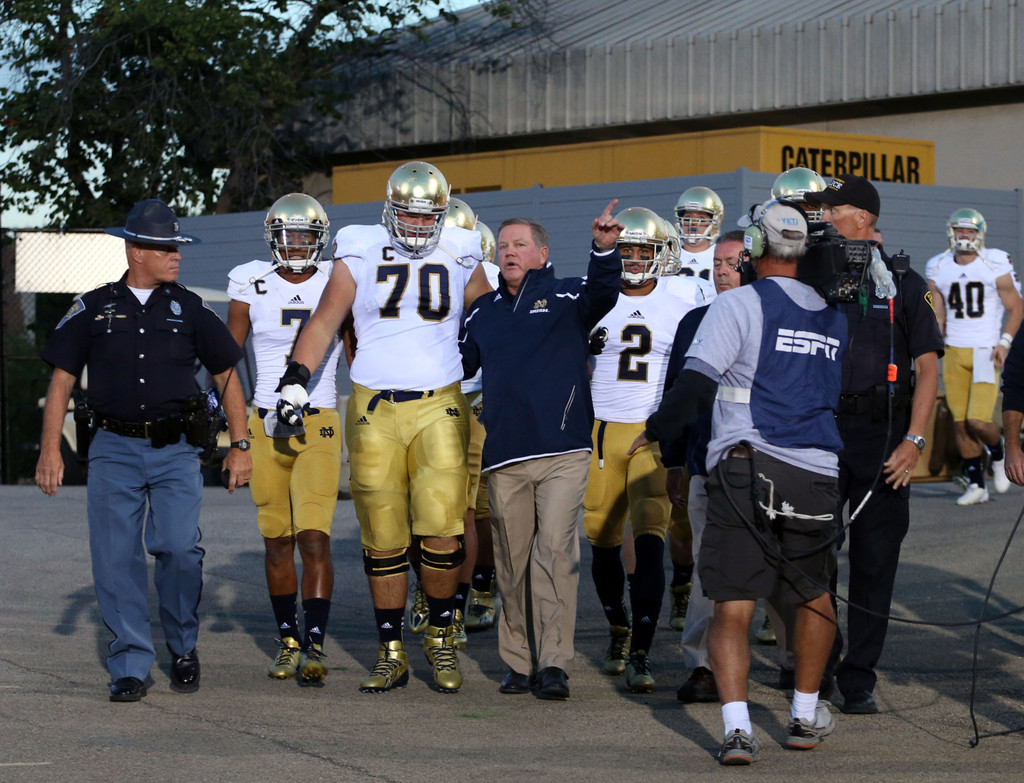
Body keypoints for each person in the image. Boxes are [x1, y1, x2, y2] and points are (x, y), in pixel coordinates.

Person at [631, 200, 845, 764]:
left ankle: (738, 730)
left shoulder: (738, 305)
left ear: (753, 249)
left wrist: (655, 432)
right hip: (819, 472)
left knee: (732, 600)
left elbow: (695, 386)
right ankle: (802, 717)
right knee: (814, 595)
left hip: (746, 467)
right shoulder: (831, 314)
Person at [275, 161, 492, 695]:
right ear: (388, 210)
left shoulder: (464, 246)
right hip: (374, 404)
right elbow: (325, 318)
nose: (418, 229)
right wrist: (296, 378)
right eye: (408, 217)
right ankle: (391, 650)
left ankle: (441, 638)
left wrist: (499, 368)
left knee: (443, 530)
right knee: (383, 533)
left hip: (441, 399)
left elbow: (489, 317)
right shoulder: (359, 243)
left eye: (428, 218)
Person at [35, 199, 251, 702]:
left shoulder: (192, 308)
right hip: (112, 448)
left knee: (178, 547)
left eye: (178, 246)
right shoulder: (92, 307)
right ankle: (130, 662)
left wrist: (239, 445)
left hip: (176, 449)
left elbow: (226, 377)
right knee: (116, 558)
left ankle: (181, 646)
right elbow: (62, 378)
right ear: (136, 251)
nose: (176, 255)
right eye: (165, 247)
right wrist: (51, 449)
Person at [459, 202, 623, 700]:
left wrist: (605, 248)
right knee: (512, 563)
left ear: (542, 252)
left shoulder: (570, 293)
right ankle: (517, 662)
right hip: (505, 455)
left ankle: (553, 663)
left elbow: (604, 292)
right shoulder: (482, 312)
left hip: (563, 450)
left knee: (555, 552)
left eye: (519, 245)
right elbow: (456, 365)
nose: (509, 252)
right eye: (504, 246)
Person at [804, 174, 943, 715]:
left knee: (875, 560)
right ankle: (817, 662)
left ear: (862, 216)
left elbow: (928, 368)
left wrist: (915, 439)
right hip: (821, 432)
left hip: (885, 437)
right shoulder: (815, 276)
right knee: (814, 555)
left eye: (831, 209)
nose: (823, 217)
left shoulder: (907, 283)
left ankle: (858, 676)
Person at [582, 206, 707, 693]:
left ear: (662, 254)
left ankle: (641, 649)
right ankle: (617, 629)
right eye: (626, 251)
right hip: (601, 427)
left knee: (650, 534)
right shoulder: (596, 296)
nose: (633, 260)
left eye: (642, 251)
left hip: (650, 431)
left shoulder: (681, 303)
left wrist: (671, 431)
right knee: (601, 534)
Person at [226, 193, 343, 684]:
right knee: (277, 540)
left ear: (320, 238)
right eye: (288, 235)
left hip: (320, 419)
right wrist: (231, 426)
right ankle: (288, 638)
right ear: (274, 237)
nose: (296, 245)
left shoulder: (339, 280)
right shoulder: (249, 279)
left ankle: (314, 643)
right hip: (265, 419)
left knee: (314, 536)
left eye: (305, 236)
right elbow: (226, 356)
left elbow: (359, 348)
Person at [667, 229, 745, 704]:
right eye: (716, 263)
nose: (720, 271)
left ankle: (800, 660)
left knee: (775, 568)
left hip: (764, 465)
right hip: (703, 463)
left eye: (732, 263)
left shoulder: (769, 318)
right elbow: (678, 394)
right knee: (705, 570)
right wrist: (674, 460)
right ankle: (701, 665)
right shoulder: (693, 320)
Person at [925, 208, 1022, 505]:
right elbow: (938, 313)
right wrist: (931, 341)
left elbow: (1017, 307)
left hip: (985, 349)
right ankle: (977, 485)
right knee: (960, 423)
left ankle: (999, 450)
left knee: (978, 421)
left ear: (980, 233)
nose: (964, 236)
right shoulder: (938, 265)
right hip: (954, 349)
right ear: (950, 231)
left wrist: (1005, 342)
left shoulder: (994, 262)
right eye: (960, 230)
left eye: (970, 231)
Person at [671, 186, 724, 281]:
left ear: (715, 223)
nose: (693, 223)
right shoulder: (669, 256)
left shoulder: (721, 254)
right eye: (687, 218)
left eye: (701, 219)